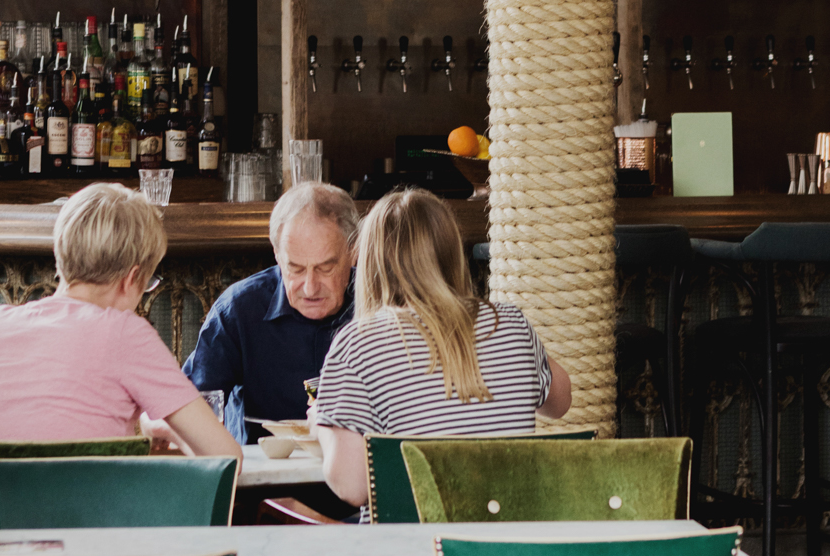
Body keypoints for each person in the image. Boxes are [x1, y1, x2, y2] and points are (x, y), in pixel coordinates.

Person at [312, 187, 573, 509]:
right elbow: (560, 402)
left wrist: (322, 426)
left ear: (371, 260)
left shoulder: (358, 342)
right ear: (453, 252)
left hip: (416, 551)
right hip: (508, 547)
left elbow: (352, 487)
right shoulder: (510, 322)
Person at [0, 182, 236, 456]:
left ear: (59, 254)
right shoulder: (127, 333)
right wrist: (164, 429)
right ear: (132, 278)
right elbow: (226, 458)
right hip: (95, 505)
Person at [182, 180, 359, 438]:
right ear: (276, 253)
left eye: (325, 268)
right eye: (296, 268)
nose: (310, 288)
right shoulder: (239, 310)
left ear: (353, 251)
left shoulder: (381, 305)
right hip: (263, 473)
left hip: (358, 473)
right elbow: (194, 405)